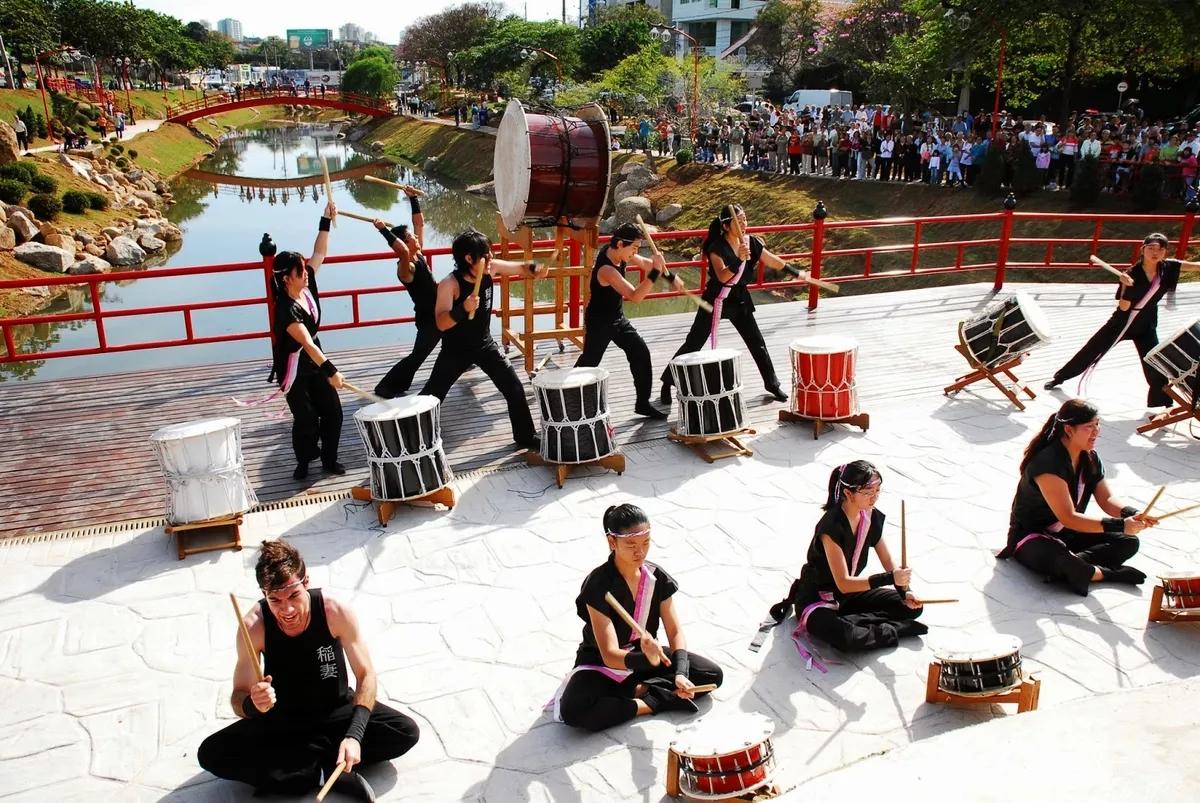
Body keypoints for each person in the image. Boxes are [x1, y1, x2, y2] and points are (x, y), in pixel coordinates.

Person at [197, 540, 419, 800]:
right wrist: (252, 704)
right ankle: (324, 772)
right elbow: (238, 698)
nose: (287, 609)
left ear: (306, 583)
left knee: (405, 731)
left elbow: (365, 675)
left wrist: (354, 736)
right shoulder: (254, 626)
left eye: (293, 595)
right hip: (283, 722)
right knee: (212, 753)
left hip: (336, 712)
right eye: (275, 600)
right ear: (263, 593)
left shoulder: (334, 611)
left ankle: (294, 772)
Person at [554, 503, 724, 731]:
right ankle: (653, 700)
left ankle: (641, 689)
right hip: (602, 664)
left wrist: (681, 674)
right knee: (574, 709)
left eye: (645, 543)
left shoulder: (656, 577)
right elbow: (609, 654)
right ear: (612, 542)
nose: (640, 552)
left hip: (645, 655)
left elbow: (674, 632)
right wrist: (649, 660)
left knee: (711, 675)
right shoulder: (597, 585)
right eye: (631, 545)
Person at [999, 399, 1156, 596]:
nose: (1096, 431)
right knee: (1062, 559)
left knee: (1128, 541)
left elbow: (1106, 499)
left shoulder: (1089, 457)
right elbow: (1069, 517)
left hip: (1066, 533)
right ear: (1069, 430)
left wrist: (1134, 514)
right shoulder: (1047, 465)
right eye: (1089, 426)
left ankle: (1076, 567)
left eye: (1098, 424)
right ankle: (1103, 573)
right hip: (1031, 536)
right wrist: (1121, 524)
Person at [767, 461, 926, 653]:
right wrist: (890, 578)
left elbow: (887, 561)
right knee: (845, 637)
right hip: (818, 598)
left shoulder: (869, 516)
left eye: (877, 490)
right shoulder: (831, 527)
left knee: (912, 607)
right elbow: (843, 582)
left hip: (848, 596)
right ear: (848, 493)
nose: (874, 497)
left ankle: (853, 622)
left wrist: (904, 591)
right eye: (868, 492)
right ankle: (890, 630)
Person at [419, 228, 546, 450]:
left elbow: (522, 267)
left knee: (514, 388)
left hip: (485, 345)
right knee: (432, 396)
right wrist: (462, 309)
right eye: (486, 254)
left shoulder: (490, 268)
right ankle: (410, 436)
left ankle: (525, 436)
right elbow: (440, 322)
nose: (491, 258)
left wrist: (536, 268)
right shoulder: (450, 284)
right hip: (455, 350)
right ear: (468, 258)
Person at [1044, 232, 1200, 409]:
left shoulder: (1169, 267)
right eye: (1151, 248)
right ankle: (1060, 378)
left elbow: (1196, 266)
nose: (1155, 252)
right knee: (1092, 349)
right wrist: (1125, 286)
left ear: (1165, 252)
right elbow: (1124, 307)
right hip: (1122, 321)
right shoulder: (1131, 274)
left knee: (1153, 359)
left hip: (1146, 322)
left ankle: (1161, 401)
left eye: (1160, 249)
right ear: (1143, 250)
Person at [660, 205, 794, 405]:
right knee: (694, 342)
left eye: (745, 219)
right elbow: (722, 275)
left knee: (757, 342)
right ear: (725, 226)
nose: (743, 224)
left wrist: (796, 271)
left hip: (740, 299)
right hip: (716, 298)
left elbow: (771, 260)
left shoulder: (751, 242)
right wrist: (739, 259)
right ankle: (667, 382)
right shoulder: (716, 247)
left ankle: (772, 384)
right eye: (738, 221)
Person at [267, 202, 347, 480]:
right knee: (306, 419)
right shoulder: (285, 309)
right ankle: (303, 461)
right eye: (301, 269)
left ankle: (329, 459)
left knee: (333, 412)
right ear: (288, 278)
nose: (307, 270)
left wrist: (325, 220)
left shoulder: (306, 284)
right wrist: (332, 371)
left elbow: (320, 252)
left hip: (316, 358)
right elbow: (306, 344)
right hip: (295, 366)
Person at [575, 223, 678, 419]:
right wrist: (656, 273)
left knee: (640, 353)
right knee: (588, 364)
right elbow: (635, 296)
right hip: (599, 322)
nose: (635, 253)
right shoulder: (606, 269)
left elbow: (647, 264)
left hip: (617, 318)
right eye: (634, 248)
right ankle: (566, 396)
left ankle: (642, 403)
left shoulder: (620, 252)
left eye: (637, 249)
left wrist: (670, 276)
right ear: (621, 244)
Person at [372, 188, 439, 399]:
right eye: (410, 238)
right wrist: (383, 230)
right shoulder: (406, 268)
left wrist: (413, 199)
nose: (416, 238)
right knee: (419, 355)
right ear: (402, 243)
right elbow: (401, 251)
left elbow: (419, 224)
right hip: (428, 318)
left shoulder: (417, 254)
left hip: (440, 310)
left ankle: (464, 360)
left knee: (461, 331)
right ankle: (386, 386)